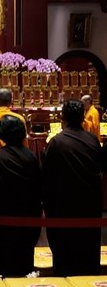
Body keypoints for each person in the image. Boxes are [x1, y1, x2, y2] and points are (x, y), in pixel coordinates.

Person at [42, 99, 102, 277]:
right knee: (87, 249)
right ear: (83, 117)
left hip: (64, 204)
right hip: (89, 204)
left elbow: (47, 176)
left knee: (65, 253)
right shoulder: (92, 140)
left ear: (63, 118)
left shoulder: (56, 142)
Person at [0, 115, 42, 276]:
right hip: (26, 222)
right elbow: (38, 189)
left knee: (1, 268)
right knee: (22, 266)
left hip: (1, 226)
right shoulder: (31, 158)